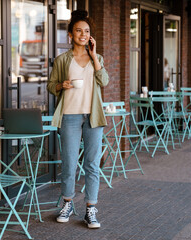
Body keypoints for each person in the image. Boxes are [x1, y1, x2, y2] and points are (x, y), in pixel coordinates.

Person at [47, 10, 109, 229]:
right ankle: (67, 204)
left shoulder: (97, 58)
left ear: (90, 36)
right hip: (70, 116)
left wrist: (94, 56)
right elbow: (51, 85)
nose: (83, 34)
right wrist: (60, 86)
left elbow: (104, 81)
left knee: (92, 164)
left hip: (92, 117)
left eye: (87, 31)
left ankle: (91, 209)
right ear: (71, 35)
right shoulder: (63, 59)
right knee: (70, 163)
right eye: (78, 30)